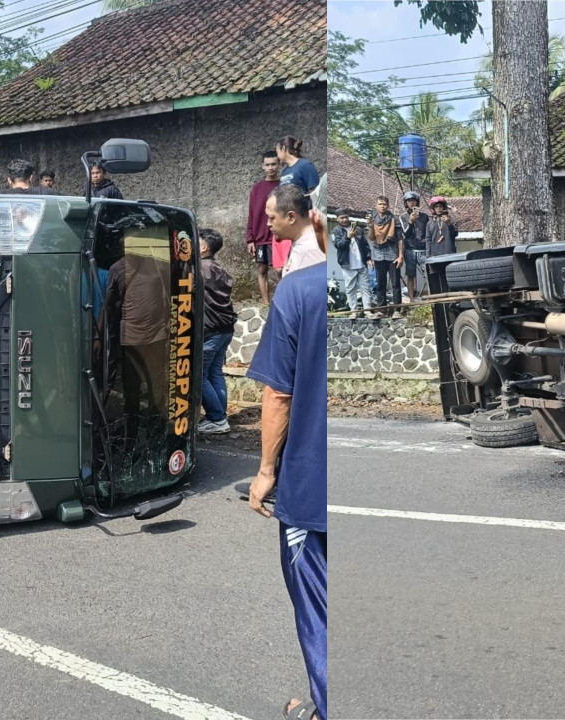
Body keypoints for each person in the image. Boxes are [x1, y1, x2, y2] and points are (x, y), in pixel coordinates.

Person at [246, 215, 327, 720]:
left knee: (318, 605)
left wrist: (266, 471)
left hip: (312, 484)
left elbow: (277, 393)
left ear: (314, 220)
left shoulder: (296, 291)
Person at [198, 228, 238, 434]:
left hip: (211, 331)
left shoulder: (200, 269)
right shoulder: (219, 268)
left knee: (199, 376)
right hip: (225, 329)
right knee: (215, 372)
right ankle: (219, 416)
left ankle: (217, 418)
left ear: (203, 247)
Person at [247, 150, 282, 305]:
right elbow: (252, 214)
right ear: (262, 166)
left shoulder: (284, 185)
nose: (270, 167)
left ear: (279, 164)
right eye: (267, 164)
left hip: (280, 236)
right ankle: (266, 304)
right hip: (260, 237)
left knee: (281, 271)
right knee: (262, 270)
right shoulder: (257, 188)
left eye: (273, 164)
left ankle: (281, 302)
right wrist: (250, 239)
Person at [266, 184, 326, 276]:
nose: (268, 223)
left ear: (291, 217)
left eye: (271, 218)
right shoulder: (300, 242)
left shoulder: (310, 251)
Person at [331, 211, 371, 317]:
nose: (344, 219)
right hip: (347, 264)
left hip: (361, 263)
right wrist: (348, 237)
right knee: (350, 288)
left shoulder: (358, 229)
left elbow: (365, 245)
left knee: (365, 287)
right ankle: (354, 311)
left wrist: (369, 258)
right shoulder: (336, 232)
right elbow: (338, 245)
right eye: (342, 218)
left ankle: (367, 310)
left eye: (346, 217)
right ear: (337, 219)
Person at [367, 195, 402, 314]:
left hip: (392, 253)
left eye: (384, 204)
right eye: (380, 204)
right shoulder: (372, 218)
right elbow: (371, 237)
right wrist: (370, 225)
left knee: (395, 283)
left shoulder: (394, 219)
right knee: (380, 283)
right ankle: (381, 309)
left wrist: (400, 256)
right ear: (376, 205)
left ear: (388, 205)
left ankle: (397, 309)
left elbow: (400, 239)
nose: (382, 206)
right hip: (377, 253)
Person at [398, 191, 429, 302]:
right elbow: (405, 234)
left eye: (414, 200)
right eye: (409, 201)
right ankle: (411, 299)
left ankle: (431, 298)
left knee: (428, 274)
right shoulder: (403, 217)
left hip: (423, 249)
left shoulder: (425, 217)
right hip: (410, 249)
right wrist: (410, 222)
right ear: (406, 203)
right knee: (410, 274)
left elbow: (428, 233)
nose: (412, 203)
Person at [423, 195, 458, 260]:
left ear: (444, 207)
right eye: (436, 207)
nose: (438, 208)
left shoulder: (451, 219)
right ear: (433, 208)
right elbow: (428, 240)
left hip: (449, 254)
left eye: (440, 206)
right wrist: (428, 256)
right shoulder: (429, 223)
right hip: (435, 255)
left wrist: (449, 224)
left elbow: (455, 234)